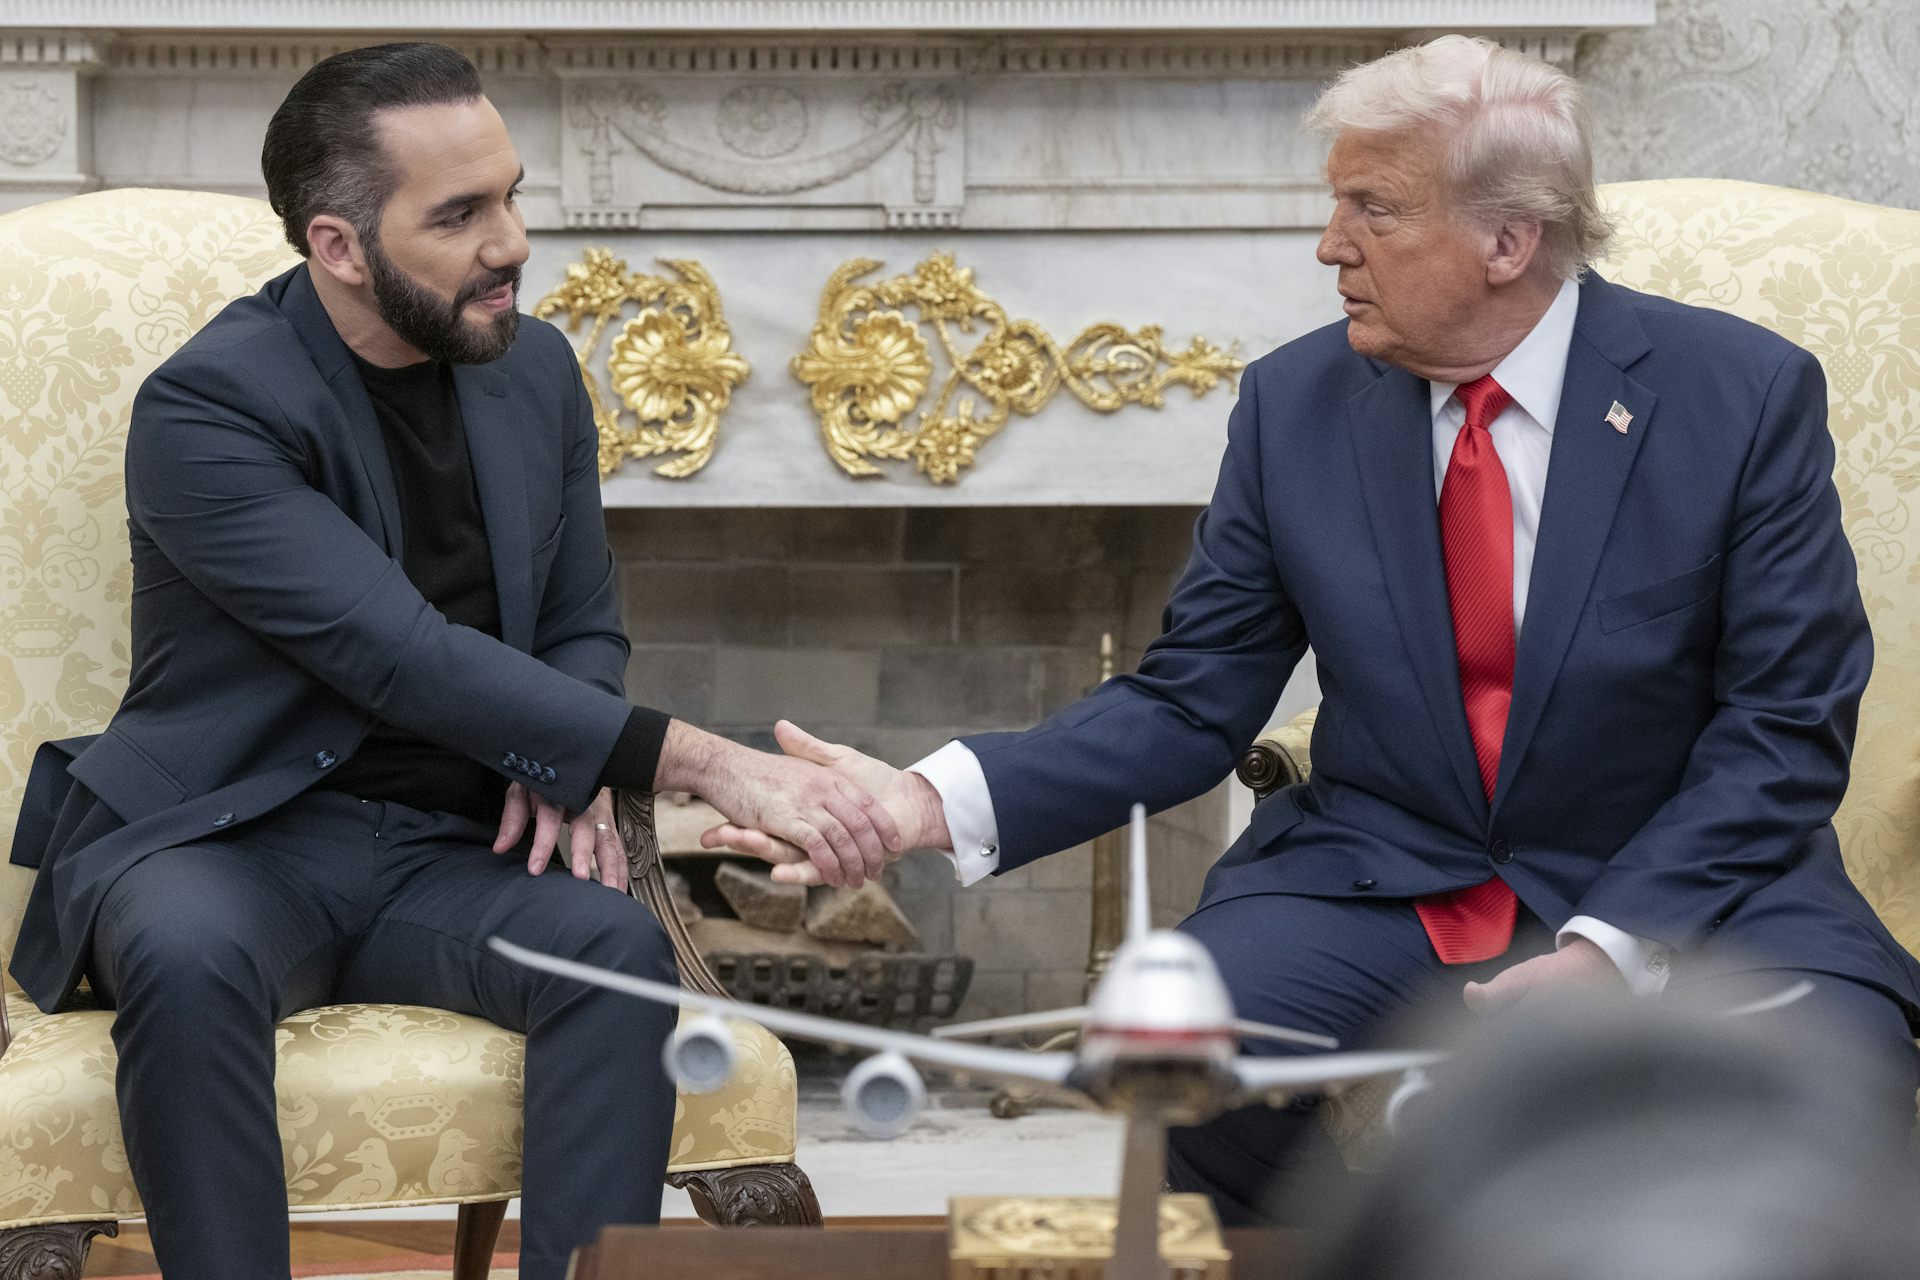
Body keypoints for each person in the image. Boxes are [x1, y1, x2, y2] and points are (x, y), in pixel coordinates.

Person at [711, 35, 1920, 1219]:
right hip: (1383, 879)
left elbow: (1784, 727)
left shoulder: (1739, 396)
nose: (1330, 244)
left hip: (1680, 883)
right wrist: (924, 803)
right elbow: (1190, 698)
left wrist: (1609, 947)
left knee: (1836, 1065)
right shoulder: (1296, 405)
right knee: (1188, 1057)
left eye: (1372, 207)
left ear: (1509, 238)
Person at [5, 42, 899, 1280]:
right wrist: (701, 764)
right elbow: (395, 650)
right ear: (339, 246)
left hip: (450, 850)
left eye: (513, 194)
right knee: (187, 950)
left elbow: (585, 618)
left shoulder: (532, 370)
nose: (513, 240)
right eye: (463, 213)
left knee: (616, 950)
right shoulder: (206, 408)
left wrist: (564, 753)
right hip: (229, 836)